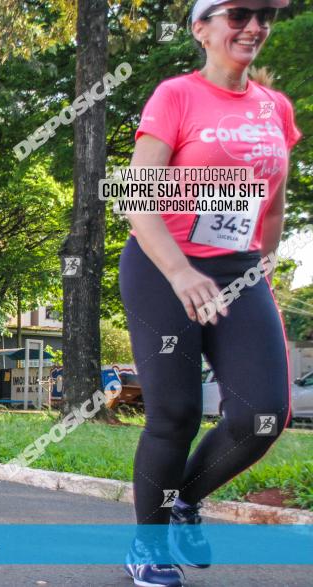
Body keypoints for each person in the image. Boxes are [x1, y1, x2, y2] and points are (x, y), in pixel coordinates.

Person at [119, 1, 299, 585]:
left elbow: (271, 202)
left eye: (266, 15)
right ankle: (147, 545)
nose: (254, 26)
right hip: (162, 266)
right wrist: (180, 273)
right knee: (175, 412)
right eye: (239, 13)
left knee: (264, 415)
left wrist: (264, 270)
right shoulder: (175, 96)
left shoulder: (276, 108)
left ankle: (184, 502)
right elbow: (136, 202)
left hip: (239, 271)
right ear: (202, 28)